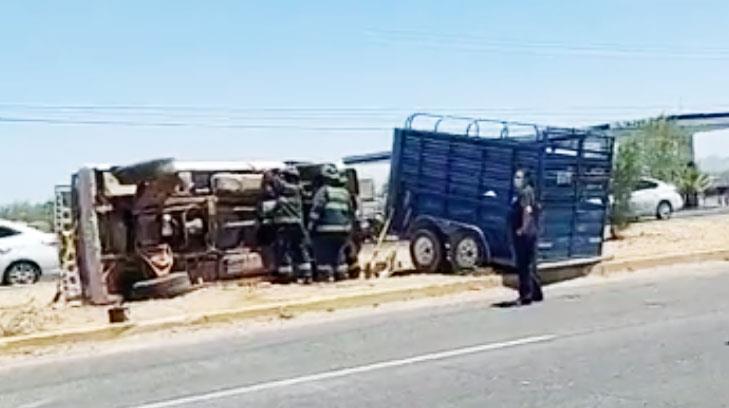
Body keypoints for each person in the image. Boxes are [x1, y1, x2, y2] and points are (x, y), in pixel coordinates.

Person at [261, 166, 312, 283]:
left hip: (284, 224)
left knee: (283, 250)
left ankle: (286, 275)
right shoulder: (299, 189)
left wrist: (268, 173)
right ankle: (306, 274)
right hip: (297, 224)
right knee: (300, 248)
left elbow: (276, 183)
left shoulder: (286, 188)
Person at [308, 165, 354, 282]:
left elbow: (316, 211)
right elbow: (350, 213)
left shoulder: (324, 191)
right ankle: (342, 275)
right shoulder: (345, 193)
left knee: (323, 255)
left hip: (325, 231)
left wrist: (310, 228)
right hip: (342, 231)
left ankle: (325, 276)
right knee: (339, 254)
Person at [510, 168, 543, 305]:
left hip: (525, 235)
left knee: (523, 266)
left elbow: (527, 212)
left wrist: (522, 229)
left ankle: (525, 296)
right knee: (529, 265)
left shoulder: (525, 193)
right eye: (515, 177)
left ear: (525, 179)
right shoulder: (527, 192)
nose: (515, 180)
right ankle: (536, 293)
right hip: (530, 234)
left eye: (518, 177)